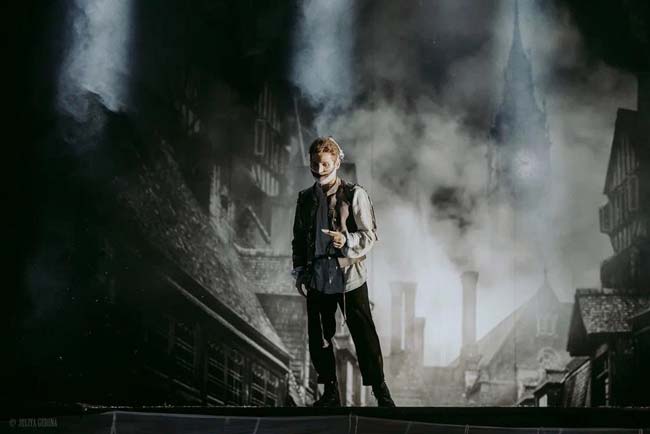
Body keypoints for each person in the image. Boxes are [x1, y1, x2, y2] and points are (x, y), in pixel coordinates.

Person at [291, 136, 396, 407]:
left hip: (350, 278)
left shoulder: (354, 194)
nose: (319, 169)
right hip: (318, 279)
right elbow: (299, 238)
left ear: (337, 163)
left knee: (364, 336)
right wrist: (300, 271)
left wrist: (345, 240)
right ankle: (330, 392)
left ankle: (381, 392)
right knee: (320, 338)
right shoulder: (305, 199)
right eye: (315, 164)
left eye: (325, 164)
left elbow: (370, 235)